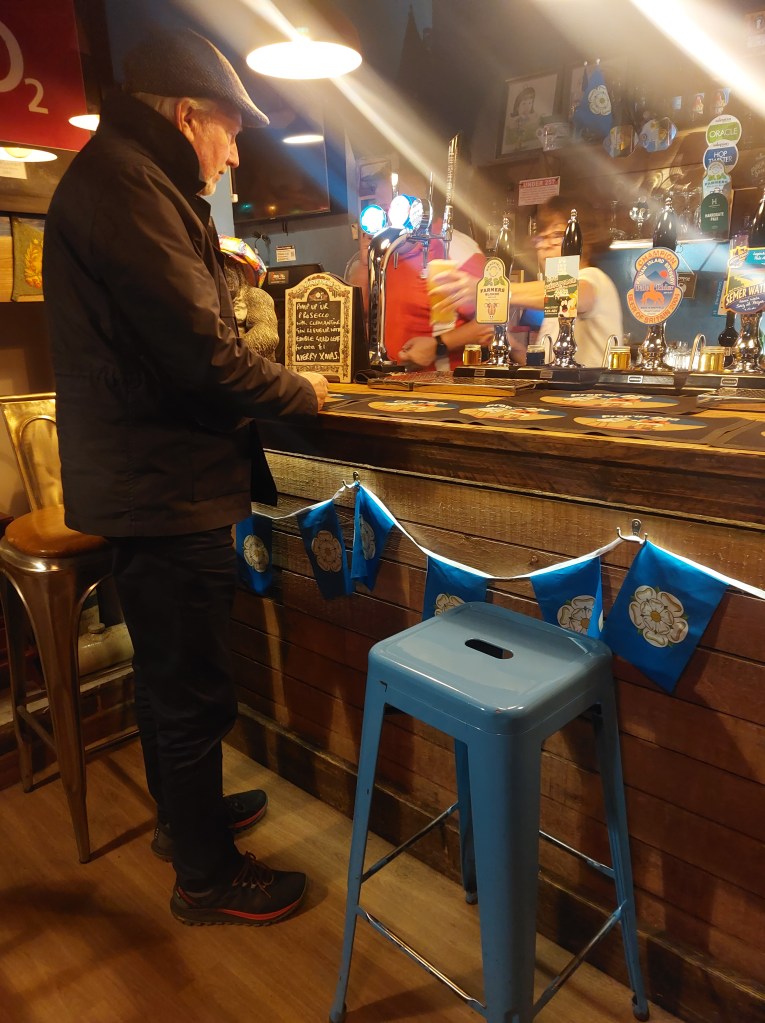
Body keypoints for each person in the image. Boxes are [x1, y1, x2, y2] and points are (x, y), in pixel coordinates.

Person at [42, 26, 328, 927]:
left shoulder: (127, 178)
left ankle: (183, 820)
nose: (235, 154)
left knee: (169, 676)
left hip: (150, 480)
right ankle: (206, 875)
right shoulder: (130, 186)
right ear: (187, 114)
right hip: (164, 485)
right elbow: (204, 356)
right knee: (192, 686)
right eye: (230, 132)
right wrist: (304, 393)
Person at [347, 176, 492, 370]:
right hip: (387, 379)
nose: (387, 218)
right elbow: (357, 318)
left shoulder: (452, 247)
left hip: (442, 382)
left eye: (394, 208)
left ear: (420, 209)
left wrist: (438, 345)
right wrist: (366, 262)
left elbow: (492, 322)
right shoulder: (383, 251)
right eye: (381, 207)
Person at [506, 196, 623, 366]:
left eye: (557, 235)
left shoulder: (593, 277)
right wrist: (514, 348)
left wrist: (498, 291)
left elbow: (570, 295)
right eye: (541, 238)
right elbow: (550, 370)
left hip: (594, 385)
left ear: (584, 240)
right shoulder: (554, 301)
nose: (545, 245)